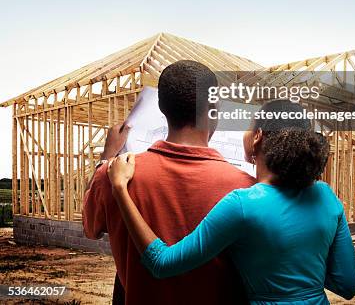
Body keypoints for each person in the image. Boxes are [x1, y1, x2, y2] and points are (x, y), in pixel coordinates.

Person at [107, 99, 355, 305]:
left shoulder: (243, 204)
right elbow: (347, 285)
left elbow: (162, 263)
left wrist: (120, 188)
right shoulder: (326, 196)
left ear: (258, 136)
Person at [83, 60, 255, 305]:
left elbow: (90, 229)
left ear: (162, 107)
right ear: (214, 107)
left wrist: (106, 157)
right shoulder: (248, 188)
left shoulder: (113, 174)